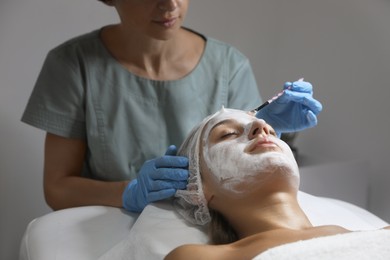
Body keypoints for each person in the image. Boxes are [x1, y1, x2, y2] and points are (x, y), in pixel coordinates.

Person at [21, 0, 322, 213]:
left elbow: (246, 180)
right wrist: (129, 193)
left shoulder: (229, 65)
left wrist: (269, 131)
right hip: (109, 223)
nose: (170, 5)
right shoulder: (74, 65)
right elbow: (58, 189)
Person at [166, 108, 390, 260]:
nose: (261, 125)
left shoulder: (381, 236)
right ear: (198, 190)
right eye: (229, 134)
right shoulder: (195, 257)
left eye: (272, 131)